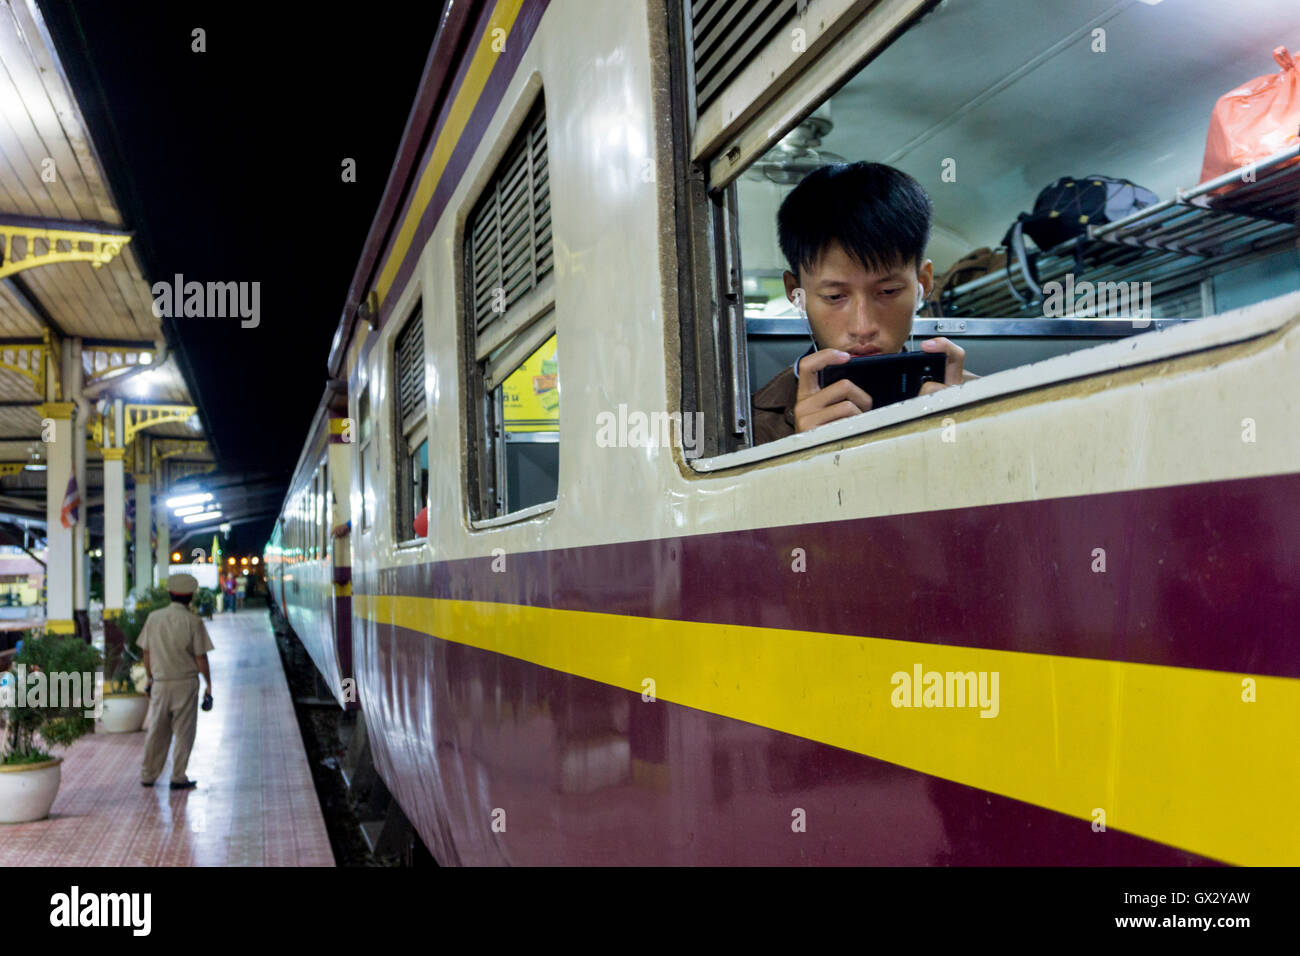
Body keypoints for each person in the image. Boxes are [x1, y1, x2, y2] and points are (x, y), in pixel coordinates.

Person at [751, 161, 979, 445]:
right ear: (795, 292)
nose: (863, 327)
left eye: (888, 291)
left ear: (923, 284)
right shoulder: (750, 429)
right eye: (835, 297)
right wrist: (800, 456)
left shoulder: (981, 402)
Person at [138, 572, 213, 790]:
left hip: (161, 684)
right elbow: (201, 657)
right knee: (184, 732)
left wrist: (151, 678)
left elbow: (146, 652)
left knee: (157, 731)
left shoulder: (154, 618)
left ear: (170, 594)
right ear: (190, 597)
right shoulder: (194, 621)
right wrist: (209, 684)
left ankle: (148, 775)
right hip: (186, 683)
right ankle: (178, 776)